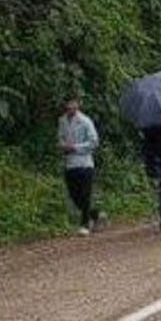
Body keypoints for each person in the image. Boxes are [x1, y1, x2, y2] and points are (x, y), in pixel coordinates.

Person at [57, 96, 101, 235]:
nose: (70, 106)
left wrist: (75, 147)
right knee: (75, 196)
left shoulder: (85, 121)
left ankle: (85, 224)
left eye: (73, 103)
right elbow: (60, 137)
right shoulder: (62, 120)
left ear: (78, 104)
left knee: (85, 194)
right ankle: (94, 214)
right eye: (68, 103)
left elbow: (94, 142)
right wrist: (62, 145)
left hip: (84, 163)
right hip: (69, 164)